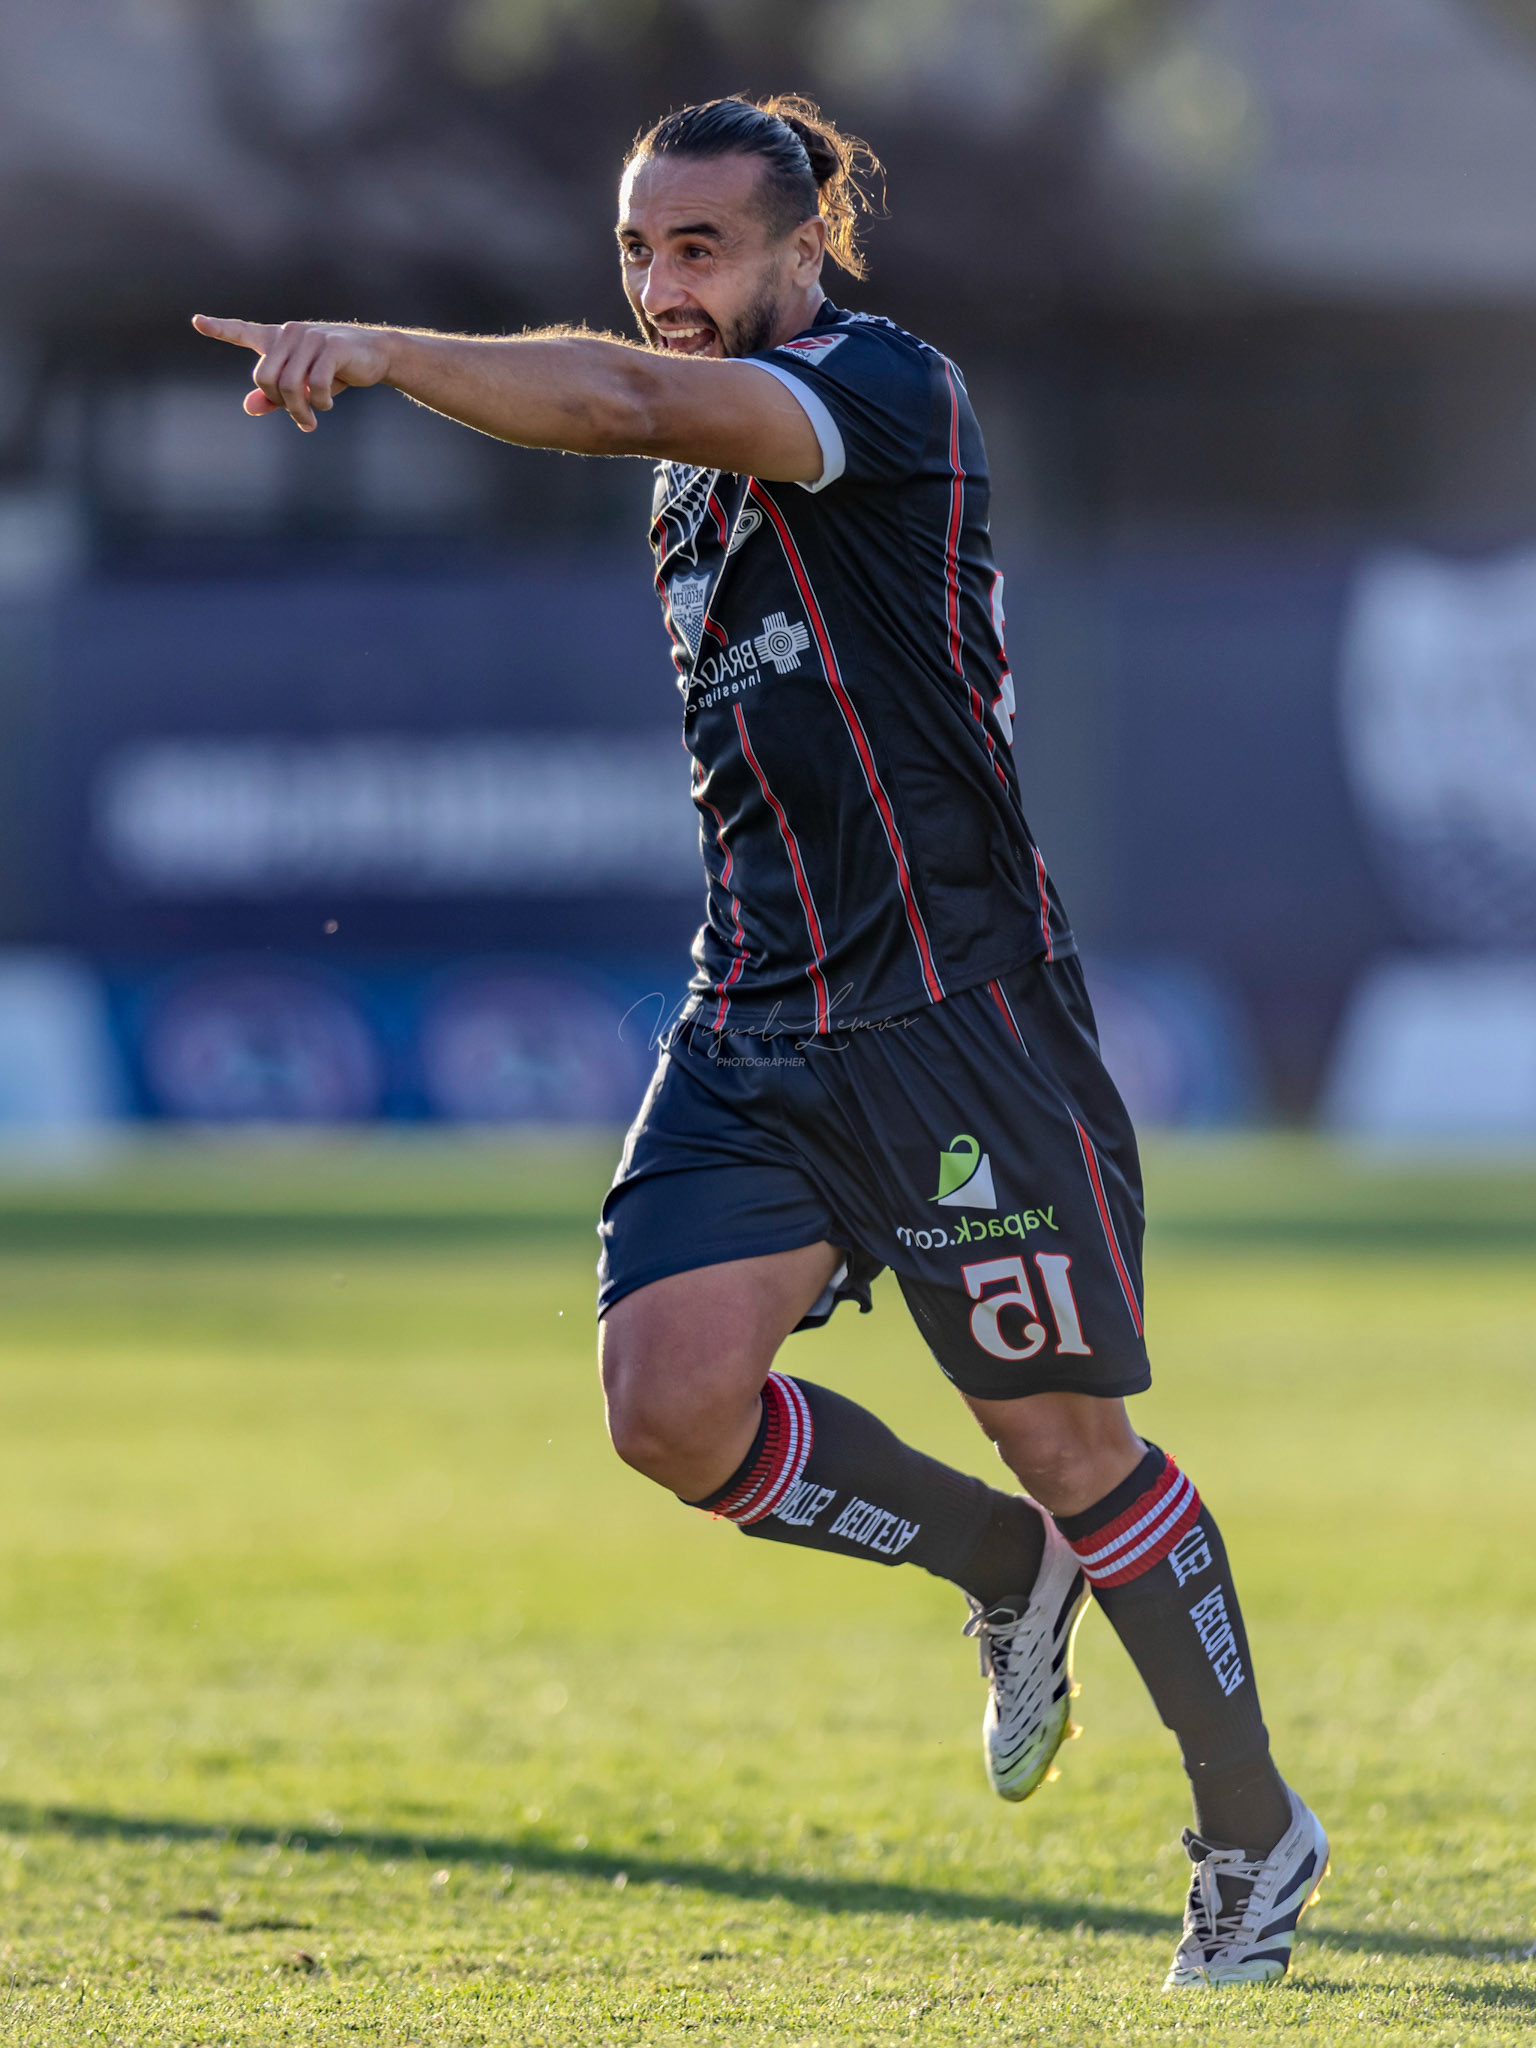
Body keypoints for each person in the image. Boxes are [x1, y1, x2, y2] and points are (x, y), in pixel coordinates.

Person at [193, 92, 1327, 1989]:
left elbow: (632, 399)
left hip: (956, 1016)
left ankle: (1249, 1827)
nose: (663, 287)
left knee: (1072, 1441)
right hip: (757, 1010)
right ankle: (996, 1571)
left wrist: (382, 350)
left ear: (810, 250)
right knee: (669, 1409)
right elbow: (647, 429)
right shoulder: (689, 474)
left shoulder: (879, 389)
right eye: (639, 248)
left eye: (700, 249)